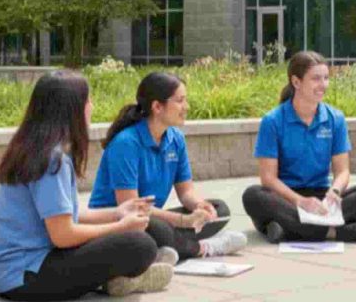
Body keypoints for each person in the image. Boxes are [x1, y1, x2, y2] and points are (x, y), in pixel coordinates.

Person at [0, 71, 174, 300]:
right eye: (88, 100)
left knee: (149, 230)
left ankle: (117, 278)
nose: (91, 106)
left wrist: (117, 213)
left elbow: (65, 218)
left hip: (16, 271)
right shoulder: (52, 160)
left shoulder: (37, 149)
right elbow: (63, 235)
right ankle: (123, 279)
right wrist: (121, 227)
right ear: (71, 110)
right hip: (25, 277)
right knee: (139, 244)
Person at [89, 72, 246, 261]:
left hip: (150, 217)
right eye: (180, 101)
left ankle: (166, 248)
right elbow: (131, 208)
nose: (186, 107)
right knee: (154, 226)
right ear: (157, 106)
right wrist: (182, 221)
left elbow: (186, 192)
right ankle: (203, 248)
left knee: (219, 209)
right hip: (118, 223)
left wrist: (199, 206)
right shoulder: (126, 143)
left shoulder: (176, 139)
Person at [242, 50, 356, 243]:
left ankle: (289, 230)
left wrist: (334, 193)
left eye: (326, 78)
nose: (323, 85)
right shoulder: (273, 121)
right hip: (286, 198)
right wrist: (300, 202)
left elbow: (343, 172)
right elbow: (268, 179)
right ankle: (334, 232)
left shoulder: (336, 119)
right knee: (252, 196)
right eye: (316, 79)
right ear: (296, 82)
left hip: (322, 197)